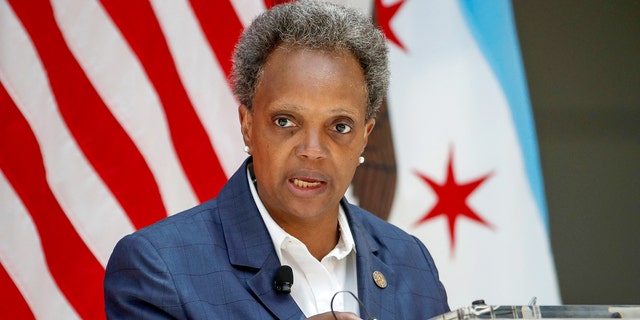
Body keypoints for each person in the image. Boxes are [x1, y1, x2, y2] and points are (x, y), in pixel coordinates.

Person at [104, 1, 449, 319]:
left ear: (365, 136)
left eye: (339, 126)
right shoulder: (157, 267)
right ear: (248, 126)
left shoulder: (410, 261)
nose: (312, 149)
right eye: (285, 121)